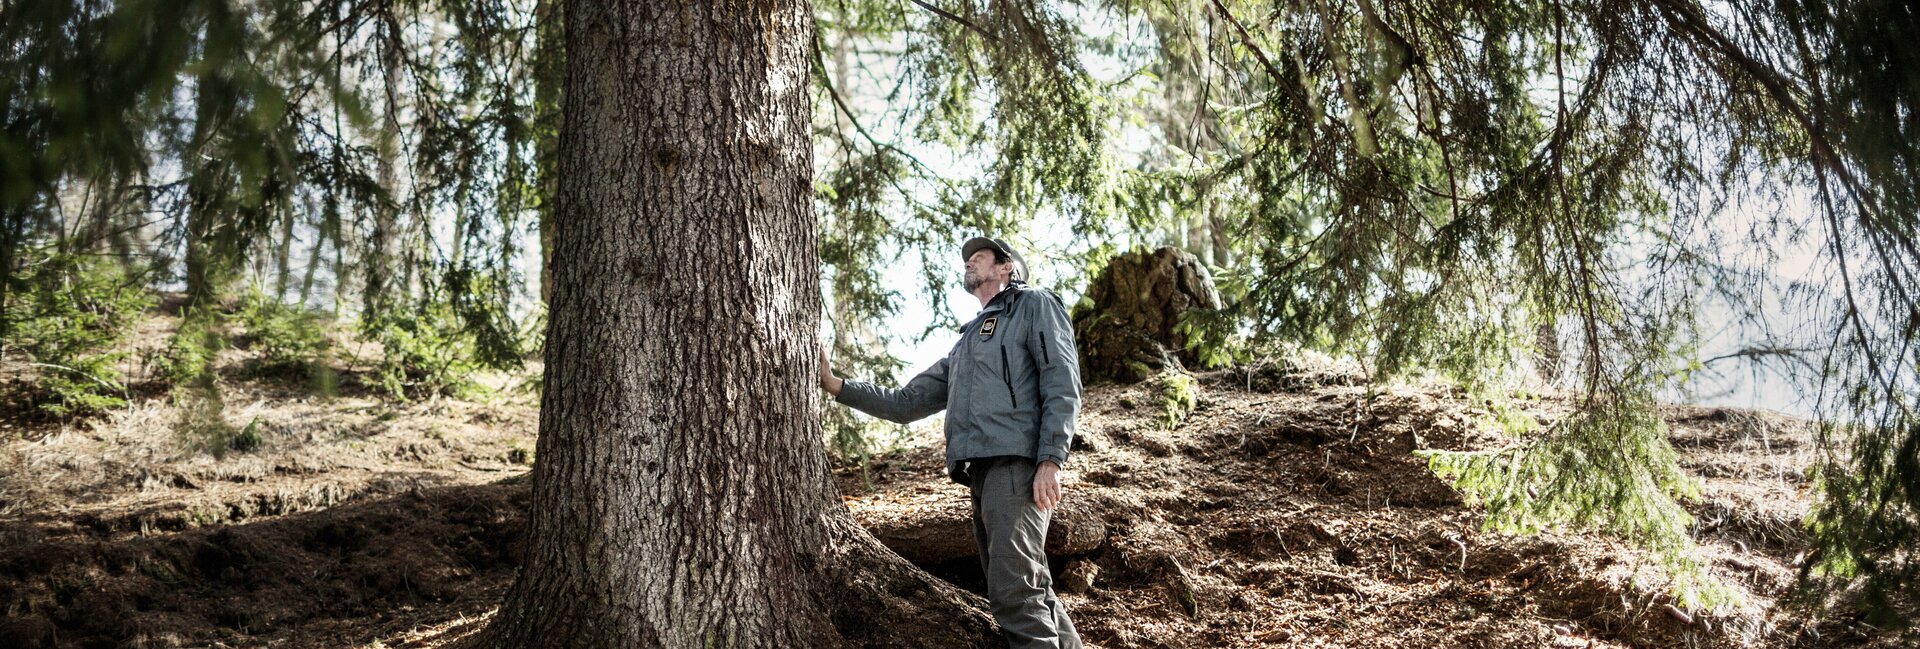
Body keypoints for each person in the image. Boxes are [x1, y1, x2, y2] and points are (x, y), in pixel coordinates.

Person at [819, 236, 1084, 649]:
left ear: (1005, 267)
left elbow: (1061, 381)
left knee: (1015, 592)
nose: (968, 262)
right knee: (1031, 588)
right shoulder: (966, 344)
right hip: (981, 474)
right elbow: (907, 402)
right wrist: (838, 386)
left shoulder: (1034, 305)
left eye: (978, 257)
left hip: (1017, 466)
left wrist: (1051, 458)